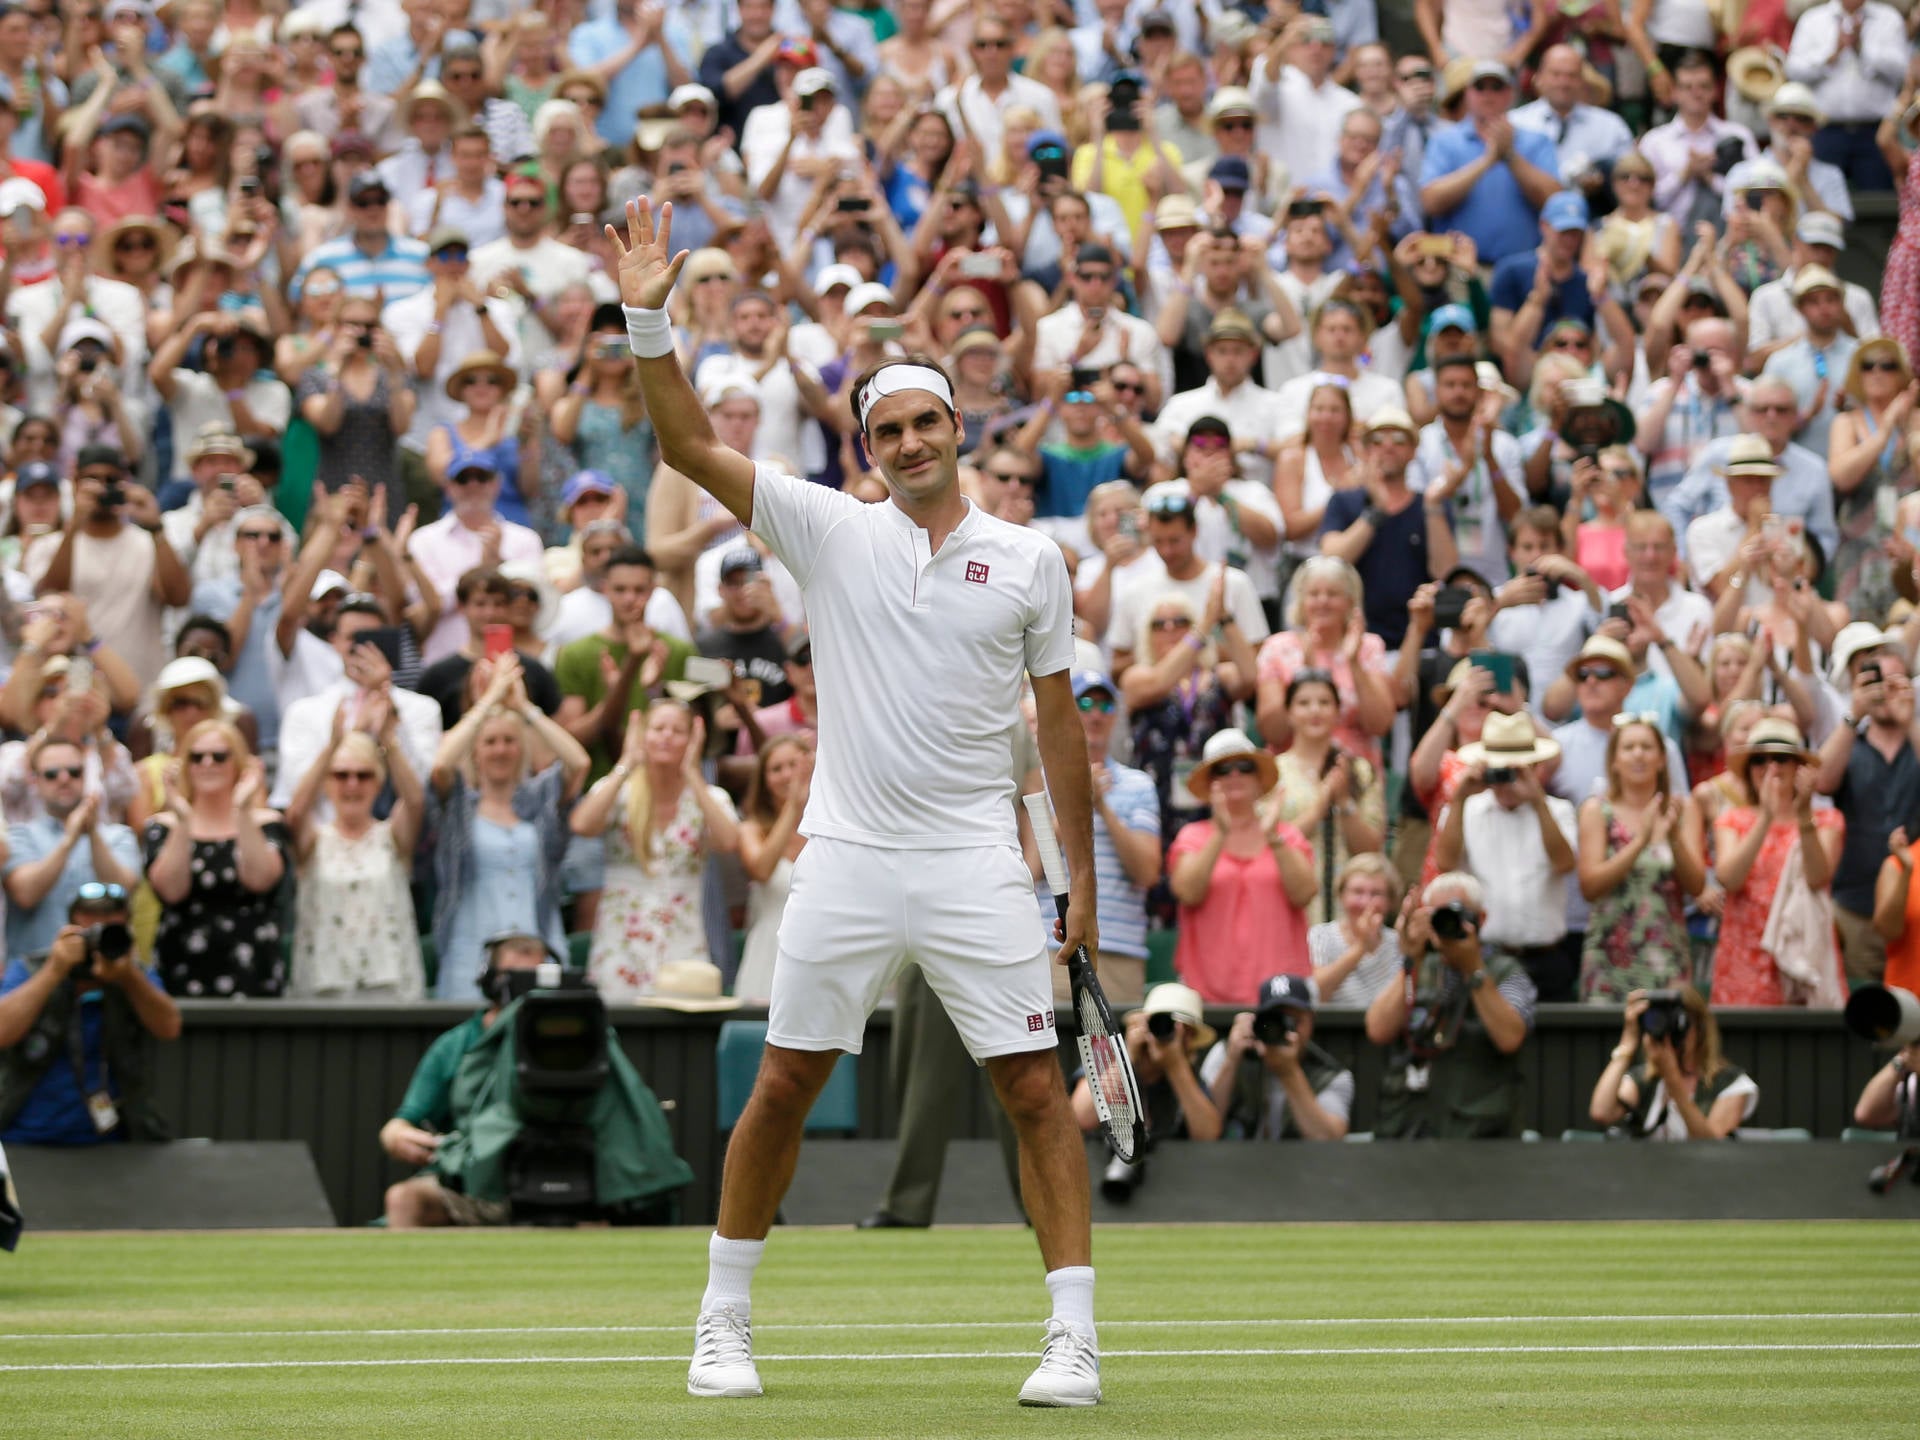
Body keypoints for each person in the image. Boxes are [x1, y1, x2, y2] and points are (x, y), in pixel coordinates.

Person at [611, 197, 1103, 1406]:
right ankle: (721, 1324)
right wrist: (645, 315)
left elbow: (1058, 730)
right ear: (867, 448)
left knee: (1034, 1090)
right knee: (784, 1081)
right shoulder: (825, 529)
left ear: (958, 430)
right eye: (888, 428)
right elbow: (684, 445)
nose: (911, 440)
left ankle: (1074, 1341)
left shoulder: (1033, 561)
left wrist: (1079, 879)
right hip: (846, 854)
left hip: (979, 857)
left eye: (928, 420)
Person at [427, 656, 590, 1003]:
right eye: (490, 742)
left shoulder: (540, 800)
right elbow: (441, 763)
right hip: (470, 946)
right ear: (476, 751)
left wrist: (525, 708)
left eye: (509, 741)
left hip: (537, 941)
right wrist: (488, 701)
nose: (500, 750)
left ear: (522, 748)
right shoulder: (459, 806)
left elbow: (579, 763)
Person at [576, 702, 740, 1002]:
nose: (667, 737)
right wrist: (626, 761)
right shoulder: (619, 790)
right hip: (620, 939)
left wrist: (693, 773)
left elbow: (729, 842)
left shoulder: (709, 797)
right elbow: (583, 824)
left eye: (677, 731)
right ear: (642, 734)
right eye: (658, 728)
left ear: (692, 740)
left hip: (683, 938)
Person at [0, 883, 178, 1146]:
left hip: (115, 1141)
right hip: (25, 1136)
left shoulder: (133, 973)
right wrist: (55, 971)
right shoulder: (33, 969)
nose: (99, 935)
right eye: (90, 925)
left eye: (110, 926)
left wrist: (129, 977)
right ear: (70, 926)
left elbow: (169, 1027)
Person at [1365, 871, 1537, 1139]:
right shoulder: (1418, 968)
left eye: (1455, 914)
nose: (1445, 924)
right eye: (1436, 915)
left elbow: (1510, 1037)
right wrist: (1410, 959)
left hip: (1477, 1136)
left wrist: (1474, 969)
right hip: (1406, 1129)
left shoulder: (1506, 971)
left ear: (1481, 919)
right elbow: (1378, 1029)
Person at [1029, 671, 1160, 1006]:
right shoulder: (1038, 780)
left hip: (1120, 949)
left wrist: (1102, 807)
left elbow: (1146, 872)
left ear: (1115, 713)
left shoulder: (1138, 784)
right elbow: (1030, 868)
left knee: (1114, 1059)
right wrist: (1081, 800)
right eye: (1085, 702)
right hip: (1051, 946)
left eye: (1105, 704)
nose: (1095, 713)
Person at [284, 700, 425, 1001]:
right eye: (340, 775)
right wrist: (331, 746)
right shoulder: (315, 839)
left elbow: (415, 801)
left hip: (390, 986)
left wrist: (389, 742)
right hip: (324, 987)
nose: (352, 784)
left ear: (378, 783)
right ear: (326, 783)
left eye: (363, 775)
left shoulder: (391, 836)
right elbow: (295, 812)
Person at [1434, 710, 1580, 1001]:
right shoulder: (1467, 809)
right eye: (1499, 770)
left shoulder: (1558, 810)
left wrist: (1537, 800)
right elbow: (1446, 865)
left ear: (1536, 767)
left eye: (1515, 769)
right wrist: (1460, 797)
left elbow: (1564, 863)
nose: (1506, 780)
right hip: (1486, 957)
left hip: (1546, 959)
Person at [142, 720, 290, 1000]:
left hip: (253, 971)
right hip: (181, 968)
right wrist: (183, 819)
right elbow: (171, 891)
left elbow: (260, 880)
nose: (207, 763)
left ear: (237, 762)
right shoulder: (164, 826)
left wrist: (241, 809)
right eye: (196, 757)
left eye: (219, 756)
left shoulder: (265, 822)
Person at [1167, 730, 1314, 1004]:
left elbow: (1304, 893)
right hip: (1206, 993)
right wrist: (1219, 835)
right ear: (1211, 784)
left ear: (1259, 780)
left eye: (1244, 767)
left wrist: (1273, 839)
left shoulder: (1287, 835)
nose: (1235, 775)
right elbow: (1187, 892)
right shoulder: (1193, 836)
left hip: (1279, 995)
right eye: (1223, 769)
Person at [1712, 718, 1848, 1007]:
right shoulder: (1732, 819)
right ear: (1748, 770)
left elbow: (1817, 877)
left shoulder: (1826, 820)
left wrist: (1803, 817)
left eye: (1781, 758)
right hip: (1744, 962)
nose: (1771, 768)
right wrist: (1765, 818)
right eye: (1759, 760)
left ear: (1799, 767)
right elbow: (1729, 878)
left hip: (1804, 959)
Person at [1815, 628, 1920, 986]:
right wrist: (1854, 713)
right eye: (1877, 682)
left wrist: (1910, 722)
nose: (1886, 691)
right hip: (1855, 907)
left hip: (1915, 911)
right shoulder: (1851, 743)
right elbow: (1822, 781)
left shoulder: (1916, 742)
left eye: (1896, 681)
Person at [1578, 716, 1707, 1003]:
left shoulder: (1683, 809)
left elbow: (1696, 886)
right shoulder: (1596, 810)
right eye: (1629, 747)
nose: (1638, 754)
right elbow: (1589, 886)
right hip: (1609, 959)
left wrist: (1673, 836)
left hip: (1666, 954)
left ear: (1662, 759)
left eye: (1647, 747)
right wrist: (1640, 841)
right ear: (1614, 760)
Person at [3, 736, 142, 964]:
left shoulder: (118, 835)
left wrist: (93, 833)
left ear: (86, 776)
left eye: (74, 772)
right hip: (35, 973)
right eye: (51, 774)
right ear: (35, 781)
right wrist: (70, 839)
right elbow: (26, 894)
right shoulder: (18, 836)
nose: (64, 779)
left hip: (105, 968)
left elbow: (122, 890)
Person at [1266, 669, 1385, 924]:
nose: (1314, 711)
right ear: (1288, 712)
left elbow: (1371, 849)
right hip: (1290, 897)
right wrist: (1317, 811)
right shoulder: (1272, 773)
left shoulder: (1359, 770)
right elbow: (1266, 844)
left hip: (1349, 906)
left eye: (1324, 702)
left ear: (1337, 711)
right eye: (1304, 703)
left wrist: (1344, 802)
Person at [1199, 974, 1354, 1140]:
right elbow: (1202, 1131)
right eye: (1275, 1020)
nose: (1285, 1030)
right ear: (1257, 1021)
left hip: (1301, 1164)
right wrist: (1231, 1061)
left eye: (1295, 1021)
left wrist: (1290, 1073)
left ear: (1311, 1021)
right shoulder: (1227, 1052)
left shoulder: (1330, 1075)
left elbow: (1329, 1141)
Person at [1069, 981, 1222, 1149]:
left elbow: (1208, 1134)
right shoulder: (1108, 1053)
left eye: (1182, 1030)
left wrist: (1175, 1066)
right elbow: (1080, 1117)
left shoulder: (1187, 1073)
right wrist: (1128, 1056)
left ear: (1190, 1039)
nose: (1165, 1033)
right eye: (1158, 1023)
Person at [1588, 988, 1758, 1139]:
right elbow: (1602, 1112)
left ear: (1701, 1028)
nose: (1671, 1033)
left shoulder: (1731, 1083)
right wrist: (1627, 1045)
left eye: (1680, 1024)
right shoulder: (1646, 1079)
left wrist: (1672, 1079)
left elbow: (1710, 1145)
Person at [734, 733, 812, 1003]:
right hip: (769, 951)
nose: (787, 774)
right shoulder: (750, 829)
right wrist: (794, 806)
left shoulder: (831, 829)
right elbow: (762, 870)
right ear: (764, 781)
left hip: (822, 945)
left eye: (794, 764)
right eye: (776, 769)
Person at [1307, 853, 1405, 1006]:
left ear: (1390, 901)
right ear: (1341, 895)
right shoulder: (1320, 936)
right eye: (1358, 892)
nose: (1366, 902)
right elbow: (1315, 994)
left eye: (1376, 894)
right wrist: (1361, 947)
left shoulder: (1398, 943)